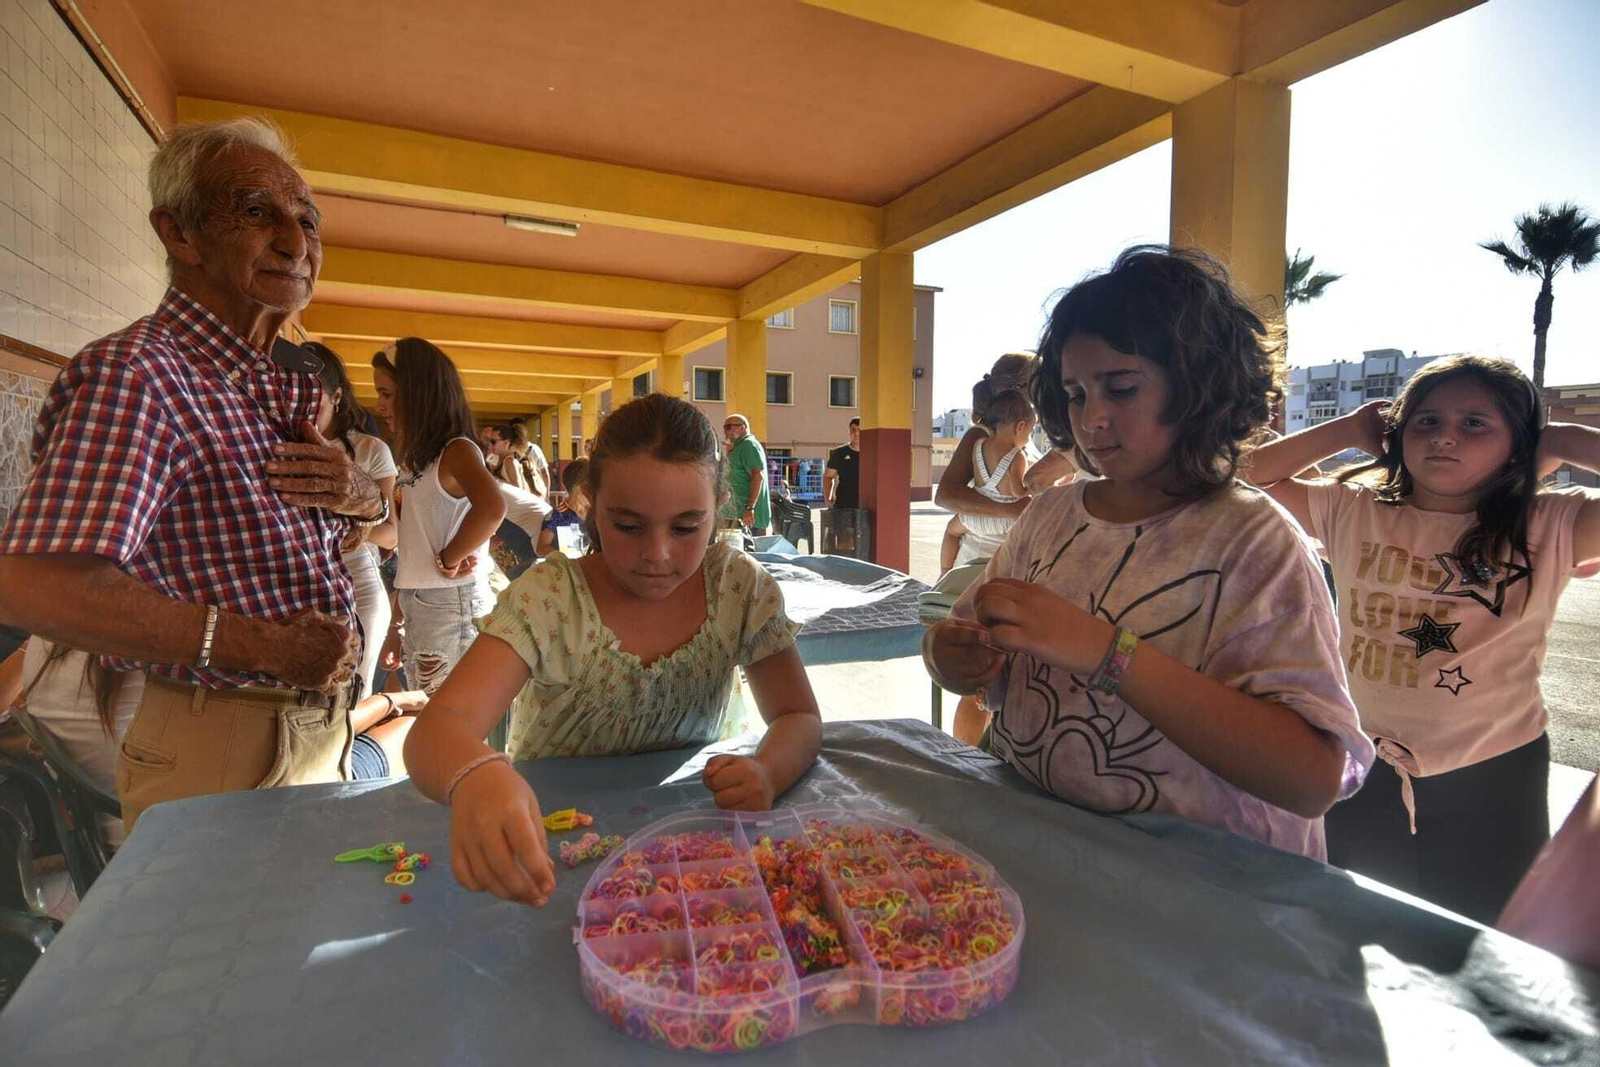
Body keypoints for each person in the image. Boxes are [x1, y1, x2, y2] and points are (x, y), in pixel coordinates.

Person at [923, 245, 1374, 859]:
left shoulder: (1253, 541)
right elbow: (975, 645)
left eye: (1123, 389)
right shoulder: (1050, 517)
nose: (1093, 419)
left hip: (1201, 898)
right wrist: (952, 656)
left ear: (1199, 388)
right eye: (1076, 394)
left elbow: (1312, 778)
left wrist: (1105, 652)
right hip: (1051, 856)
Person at [0, 118, 385, 831]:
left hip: (306, 729)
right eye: (255, 211)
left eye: (307, 219)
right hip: (227, 741)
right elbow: (31, 583)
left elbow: (313, 546)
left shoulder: (254, 383)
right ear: (180, 234)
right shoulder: (141, 375)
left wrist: (359, 499)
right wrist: (265, 647)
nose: (296, 242)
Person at [404, 394, 823, 906]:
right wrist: (475, 774)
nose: (658, 554)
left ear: (719, 510)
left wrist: (767, 772)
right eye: (628, 526)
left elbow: (798, 714)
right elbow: (434, 733)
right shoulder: (551, 600)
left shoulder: (738, 588)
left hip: (690, 858)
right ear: (589, 505)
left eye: (687, 528)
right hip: (553, 856)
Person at [1242, 355, 1600, 921]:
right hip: (1362, 760)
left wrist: (1566, 438)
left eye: (1476, 424)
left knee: (1486, 930)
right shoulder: (1351, 509)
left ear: (1519, 443)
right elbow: (1241, 478)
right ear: (1396, 436)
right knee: (1371, 919)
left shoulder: (1550, 524)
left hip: (1493, 766)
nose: (1445, 438)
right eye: (1425, 421)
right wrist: (1347, 429)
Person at [371, 337, 506, 695]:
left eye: (386, 394)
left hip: (450, 601)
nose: (379, 404)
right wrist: (396, 625)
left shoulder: (457, 450)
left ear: (417, 393)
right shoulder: (420, 461)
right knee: (428, 706)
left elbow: (492, 507)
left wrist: (453, 555)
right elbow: (414, 543)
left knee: (446, 711)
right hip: (421, 600)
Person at [305, 342, 399, 700]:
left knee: (348, 700)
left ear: (338, 396)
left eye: (315, 398)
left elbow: (391, 535)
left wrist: (347, 527)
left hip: (357, 584)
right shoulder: (272, 441)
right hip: (295, 584)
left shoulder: (369, 450)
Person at [940, 386, 1035, 572]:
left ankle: (944, 571)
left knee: (951, 530)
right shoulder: (1017, 455)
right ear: (1020, 427)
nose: (1029, 439)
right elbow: (1017, 491)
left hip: (974, 519)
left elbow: (979, 482)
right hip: (1006, 522)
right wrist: (1029, 490)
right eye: (1030, 433)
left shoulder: (978, 446)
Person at [720, 414, 770, 536]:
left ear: (742, 428)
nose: (725, 431)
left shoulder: (749, 445)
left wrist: (749, 508)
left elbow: (757, 476)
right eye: (724, 427)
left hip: (747, 519)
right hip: (736, 516)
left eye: (728, 427)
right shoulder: (739, 446)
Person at [537, 459, 590, 557]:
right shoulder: (558, 516)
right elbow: (541, 547)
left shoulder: (596, 515)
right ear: (578, 488)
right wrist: (567, 561)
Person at [823, 418, 861, 510]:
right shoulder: (839, 453)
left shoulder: (873, 452)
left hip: (867, 506)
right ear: (849, 431)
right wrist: (828, 499)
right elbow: (828, 476)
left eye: (859, 430)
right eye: (853, 430)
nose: (856, 433)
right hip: (843, 505)